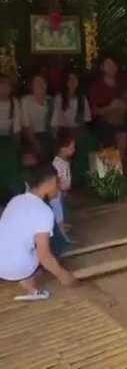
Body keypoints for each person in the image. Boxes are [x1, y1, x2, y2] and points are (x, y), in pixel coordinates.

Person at [0, 164, 76, 301]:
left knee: (18, 243)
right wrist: (63, 275)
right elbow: (43, 255)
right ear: (51, 181)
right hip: (17, 268)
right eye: (57, 182)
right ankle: (29, 284)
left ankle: (28, 284)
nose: (58, 186)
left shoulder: (15, 200)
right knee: (44, 250)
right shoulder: (44, 211)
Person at [55, 71, 96, 186]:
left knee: (91, 143)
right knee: (70, 145)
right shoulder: (60, 98)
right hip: (65, 131)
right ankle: (72, 181)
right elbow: (59, 121)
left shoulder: (82, 98)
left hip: (80, 130)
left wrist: (80, 130)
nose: (72, 82)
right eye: (70, 80)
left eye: (75, 80)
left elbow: (86, 120)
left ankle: (90, 179)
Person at [89, 56, 127, 170]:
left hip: (120, 121)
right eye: (108, 65)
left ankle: (119, 172)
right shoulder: (96, 87)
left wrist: (122, 106)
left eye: (113, 65)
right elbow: (94, 111)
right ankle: (108, 175)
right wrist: (109, 108)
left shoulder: (121, 85)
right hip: (102, 121)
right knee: (106, 134)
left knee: (123, 134)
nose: (111, 67)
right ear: (102, 68)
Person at [21, 74, 58, 160]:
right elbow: (26, 127)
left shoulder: (51, 102)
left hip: (47, 135)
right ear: (32, 87)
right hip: (30, 136)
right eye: (37, 83)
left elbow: (54, 128)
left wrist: (54, 143)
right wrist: (35, 143)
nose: (40, 85)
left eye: (43, 82)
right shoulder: (25, 101)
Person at [49, 132, 76, 241]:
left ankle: (62, 228)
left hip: (62, 193)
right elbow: (57, 180)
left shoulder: (64, 161)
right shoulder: (56, 163)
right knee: (59, 214)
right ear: (62, 149)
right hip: (57, 194)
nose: (73, 149)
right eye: (71, 147)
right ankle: (63, 237)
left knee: (63, 213)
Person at [0, 73, 22, 202]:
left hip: (8, 140)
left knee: (10, 160)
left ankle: (12, 195)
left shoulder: (14, 103)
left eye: (6, 85)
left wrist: (17, 147)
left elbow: (16, 129)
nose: (3, 88)